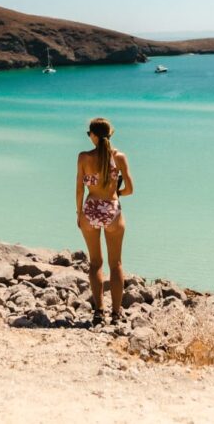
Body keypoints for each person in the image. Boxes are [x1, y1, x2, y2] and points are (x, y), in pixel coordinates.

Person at [76, 117, 134, 326]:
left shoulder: (83, 157)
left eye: (88, 133)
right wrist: (115, 193)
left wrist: (79, 213)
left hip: (90, 210)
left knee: (95, 263)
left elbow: (79, 190)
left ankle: (99, 312)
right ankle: (116, 314)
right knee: (115, 263)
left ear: (93, 135)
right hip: (112, 209)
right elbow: (130, 189)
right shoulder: (119, 157)